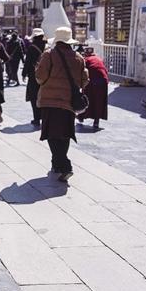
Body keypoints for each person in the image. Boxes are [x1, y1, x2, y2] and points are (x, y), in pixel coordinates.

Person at [35, 27, 88, 182]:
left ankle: (65, 166)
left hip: (49, 101)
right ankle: (57, 164)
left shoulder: (49, 55)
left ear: (57, 40)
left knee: (52, 134)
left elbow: (40, 77)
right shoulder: (78, 57)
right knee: (65, 134)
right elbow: (84, 80)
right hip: (69, 102)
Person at [77, 46, 108, 129]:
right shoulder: (98, 59)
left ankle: (81, 117)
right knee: (98, 101)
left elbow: (82, 72)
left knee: (85, 98)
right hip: (103, 81)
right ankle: (96, 121)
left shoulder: (86, 60)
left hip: (92, 81)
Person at [22, 28, 46, 126]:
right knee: (44, 97)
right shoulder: (47, 46)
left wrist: (24, 73)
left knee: (34, 97)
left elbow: (27, 62)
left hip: (34, 76)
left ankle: (36, 118)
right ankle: (44, 117)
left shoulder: (32, 48)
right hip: (46, 76)